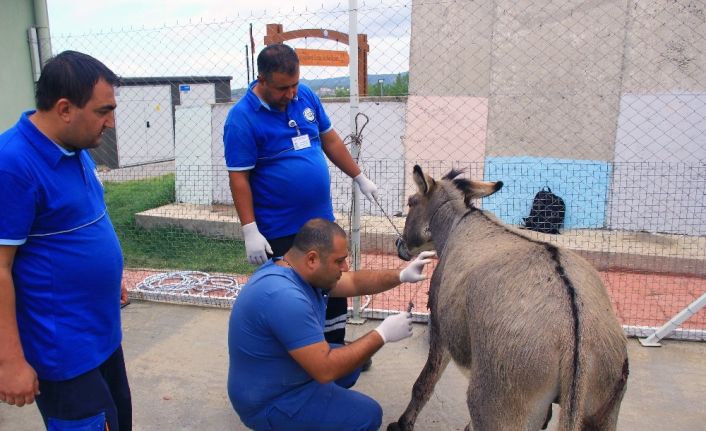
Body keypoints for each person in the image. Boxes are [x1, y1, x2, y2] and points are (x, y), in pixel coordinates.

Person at [0, 51, 131, 430]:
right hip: (62, 351)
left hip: (102, 335)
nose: (111, 122)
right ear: (64, 109)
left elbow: (84, 221)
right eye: (103, 111)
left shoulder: (74, 147)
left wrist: (110, 275)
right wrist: (9, 362)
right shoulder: (12, 165)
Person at [223, 43, 379, 348]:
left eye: (295, 84)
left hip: (321, 222)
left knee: (332, 283)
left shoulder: (304, 95)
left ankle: (335, 350)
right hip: (281, 229)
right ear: (262, 80)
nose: (292, 94)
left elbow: (330, 139)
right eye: (283, 88)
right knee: (294, 296)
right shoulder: (241, 118)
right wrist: (249, 230)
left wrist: (358, 176)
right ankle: (300, 359)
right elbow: (239, 177)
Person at [228, 218, 435, 431]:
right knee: (368, 415)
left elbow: (354, 281)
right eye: (339, 261)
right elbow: (325, 370)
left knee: (350, 364)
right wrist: (382, 334)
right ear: (312, 259)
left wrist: (402, 275)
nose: (345, 267)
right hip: (267, 403)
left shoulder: (295, 269)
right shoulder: (285, 297)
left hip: (278, 375)